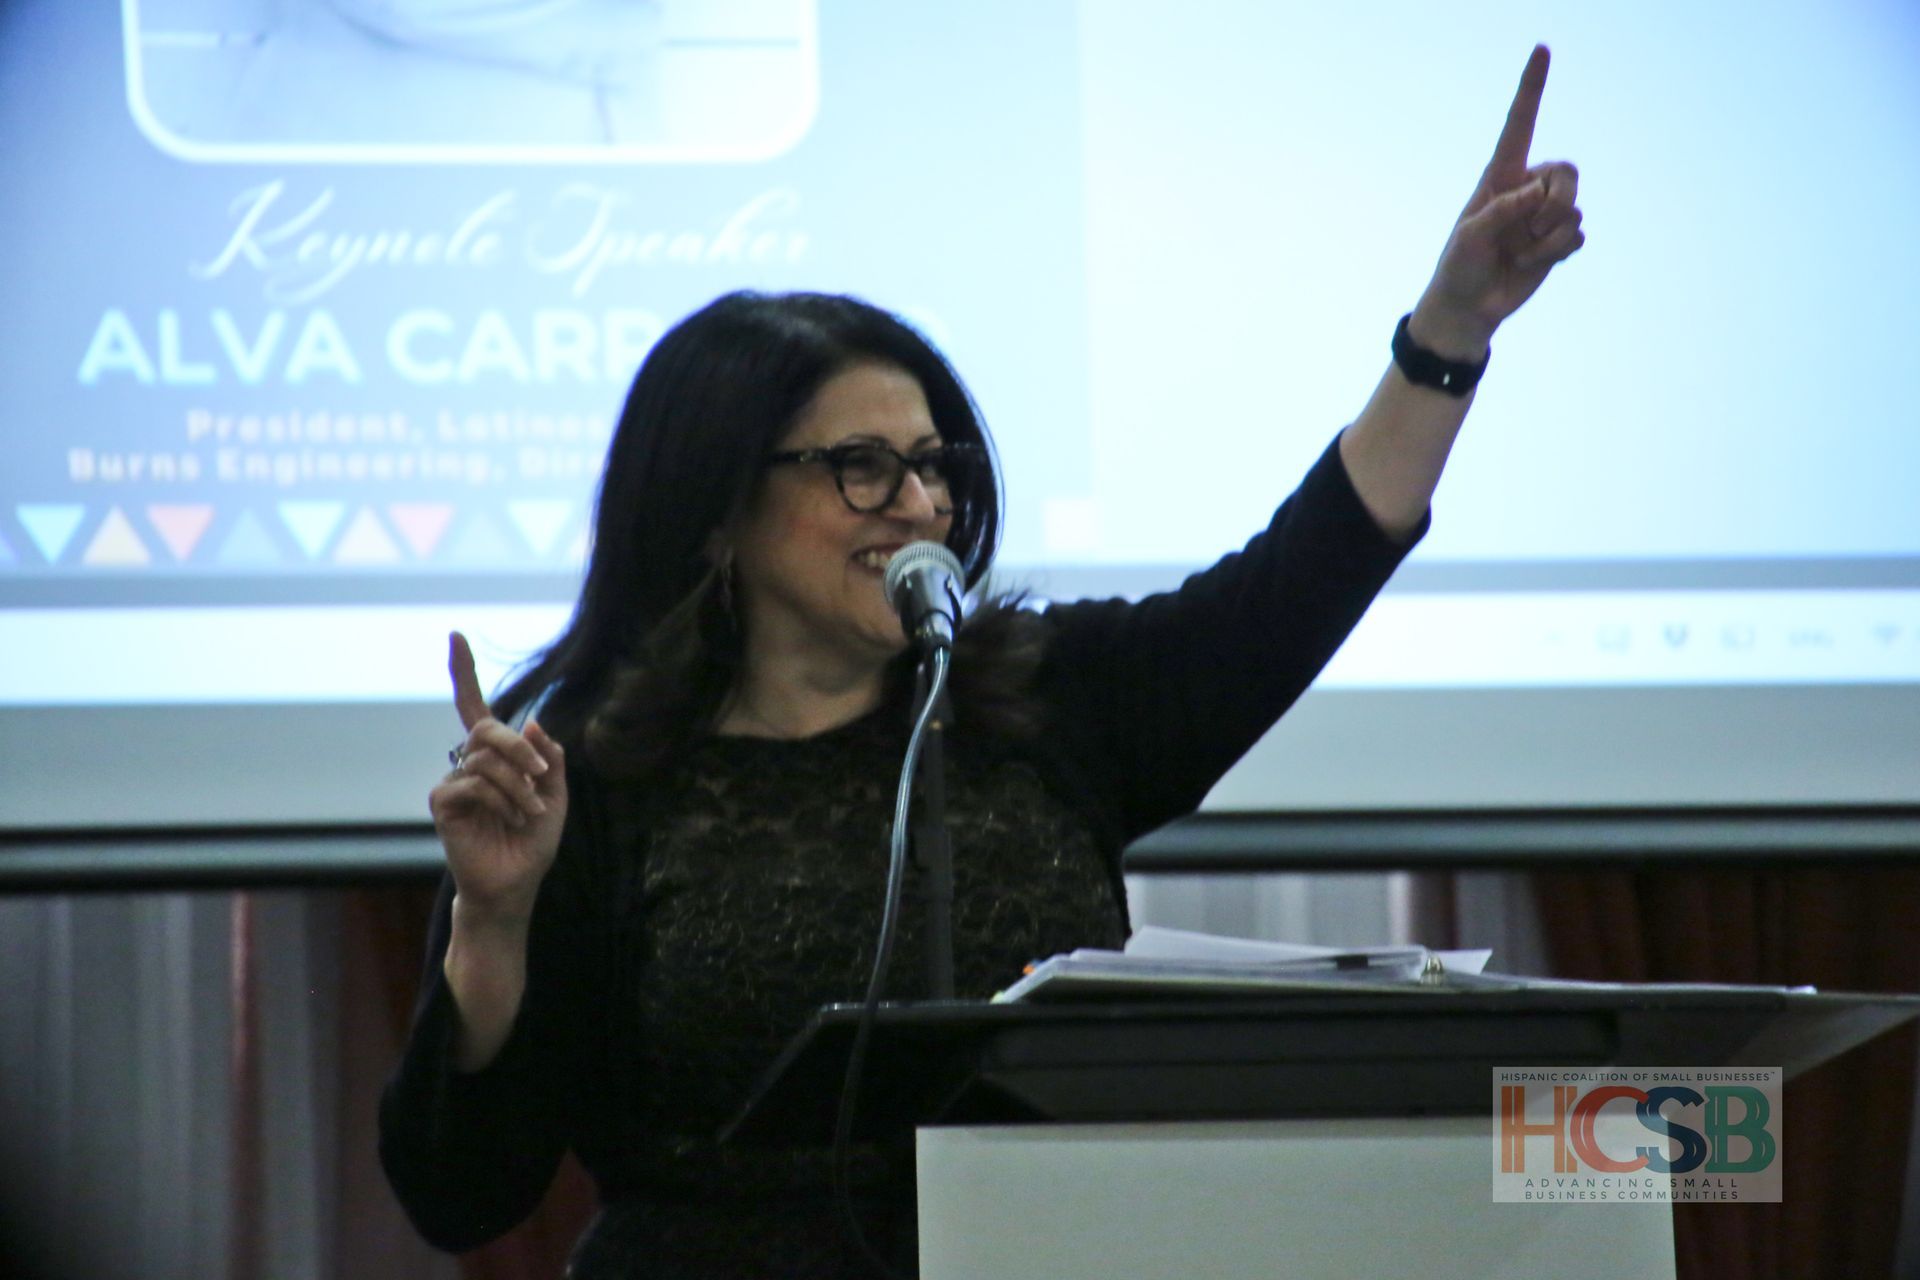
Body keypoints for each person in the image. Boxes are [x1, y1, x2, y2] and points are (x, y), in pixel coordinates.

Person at [380, 45, 1583, 1279]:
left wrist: (1453, 326)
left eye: (934, 463)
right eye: (861, 466)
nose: (919, 503)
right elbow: (463, 1191)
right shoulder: (590, 776)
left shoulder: (1042, 698)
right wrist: (495, 920)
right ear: (717, 511)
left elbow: (1297, 579)